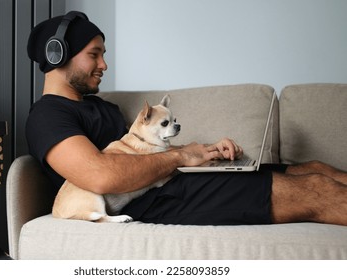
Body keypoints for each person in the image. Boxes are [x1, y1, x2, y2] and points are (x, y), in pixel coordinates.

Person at [26, 11, 347, 226]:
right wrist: (181, 154)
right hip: (154, 202)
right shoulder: (48, 116)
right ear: (58, 55)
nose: (104, 65)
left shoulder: (103, 108)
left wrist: (206, 152)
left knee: (315, 169)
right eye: (94, 54)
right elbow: (101, 177)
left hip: (172, 181)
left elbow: (142, 154)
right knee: (317, 190)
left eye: (104, 54)